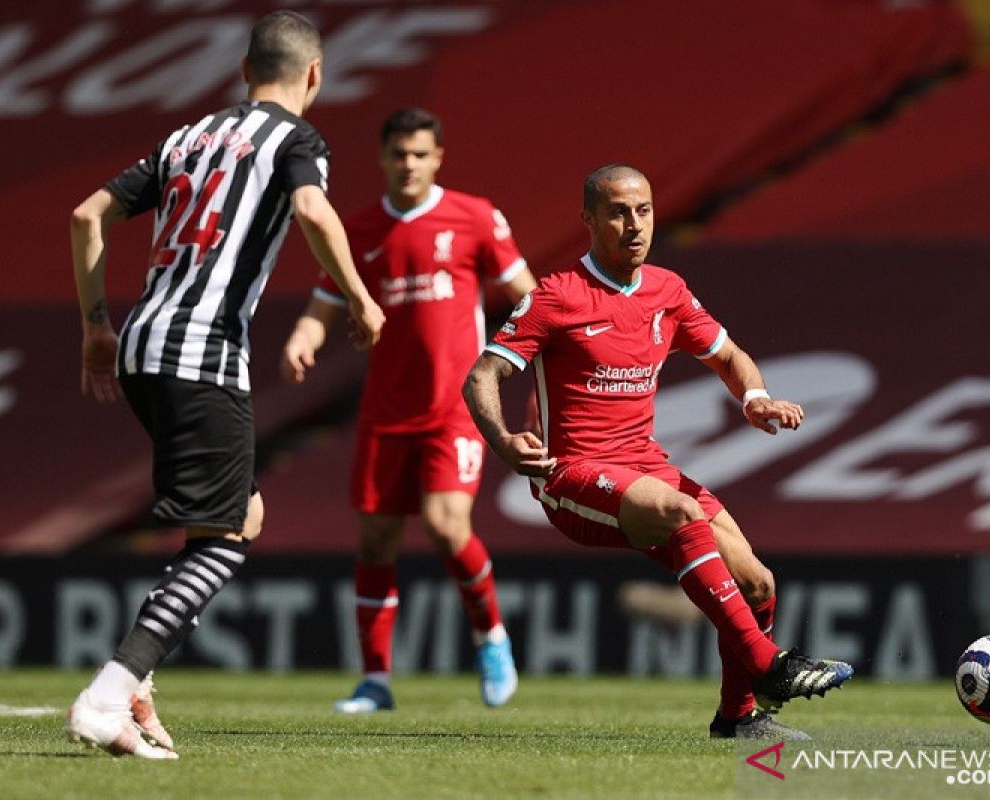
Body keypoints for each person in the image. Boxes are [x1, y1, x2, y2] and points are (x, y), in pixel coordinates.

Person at [67, 11, 384, 759]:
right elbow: (311, 209)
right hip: (203, 353)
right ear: (315, 75)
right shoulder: (299, 140)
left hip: (142, 344)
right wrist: (362, 298)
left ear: (244, 70)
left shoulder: (186, 138)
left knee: (242, 511)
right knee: (227, 535)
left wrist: (94, 327)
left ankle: (136, 688)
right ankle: (111, 691)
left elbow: (87, 216)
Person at [463, 164, 853, 740]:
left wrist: (755, 398)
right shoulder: (556, 296)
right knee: (681, 512)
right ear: (589, 221)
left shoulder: (667, 291)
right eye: (618, 212)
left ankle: (738, 717)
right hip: (571, 474)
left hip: (645, 465)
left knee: (758, 583)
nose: (634, 225)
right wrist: (502, 442)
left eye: (643, 210)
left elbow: (728, 355)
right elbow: (482, 376)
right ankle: (770, 665)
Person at [281, 108, 535, 713]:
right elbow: (324, 301)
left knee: (448, 526)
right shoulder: (361, 227)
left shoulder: (475, 216)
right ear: (382, 157)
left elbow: (528, 297)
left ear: (438, 156)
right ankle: (375, 681)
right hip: (385, 411)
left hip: (456, 407)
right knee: (375, 541)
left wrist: (526, 367)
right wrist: (305, 335)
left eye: (420, 154)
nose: (409, 165)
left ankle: (491, 637)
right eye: (398, 154)